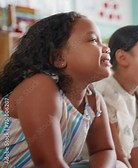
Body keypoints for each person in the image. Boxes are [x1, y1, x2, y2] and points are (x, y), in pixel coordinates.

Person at [0, 12, 116, 167]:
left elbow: (104, 149)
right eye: (93, 40)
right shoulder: (40, 87)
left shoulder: (93, 100)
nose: (106, 48)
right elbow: (48, 162)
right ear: (59, 58)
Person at [94, 25, 138, 168]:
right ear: (122, 57)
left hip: (121, 155)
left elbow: (137, 141)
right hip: (100, 159)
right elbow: (116, 152)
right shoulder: (105, 91)